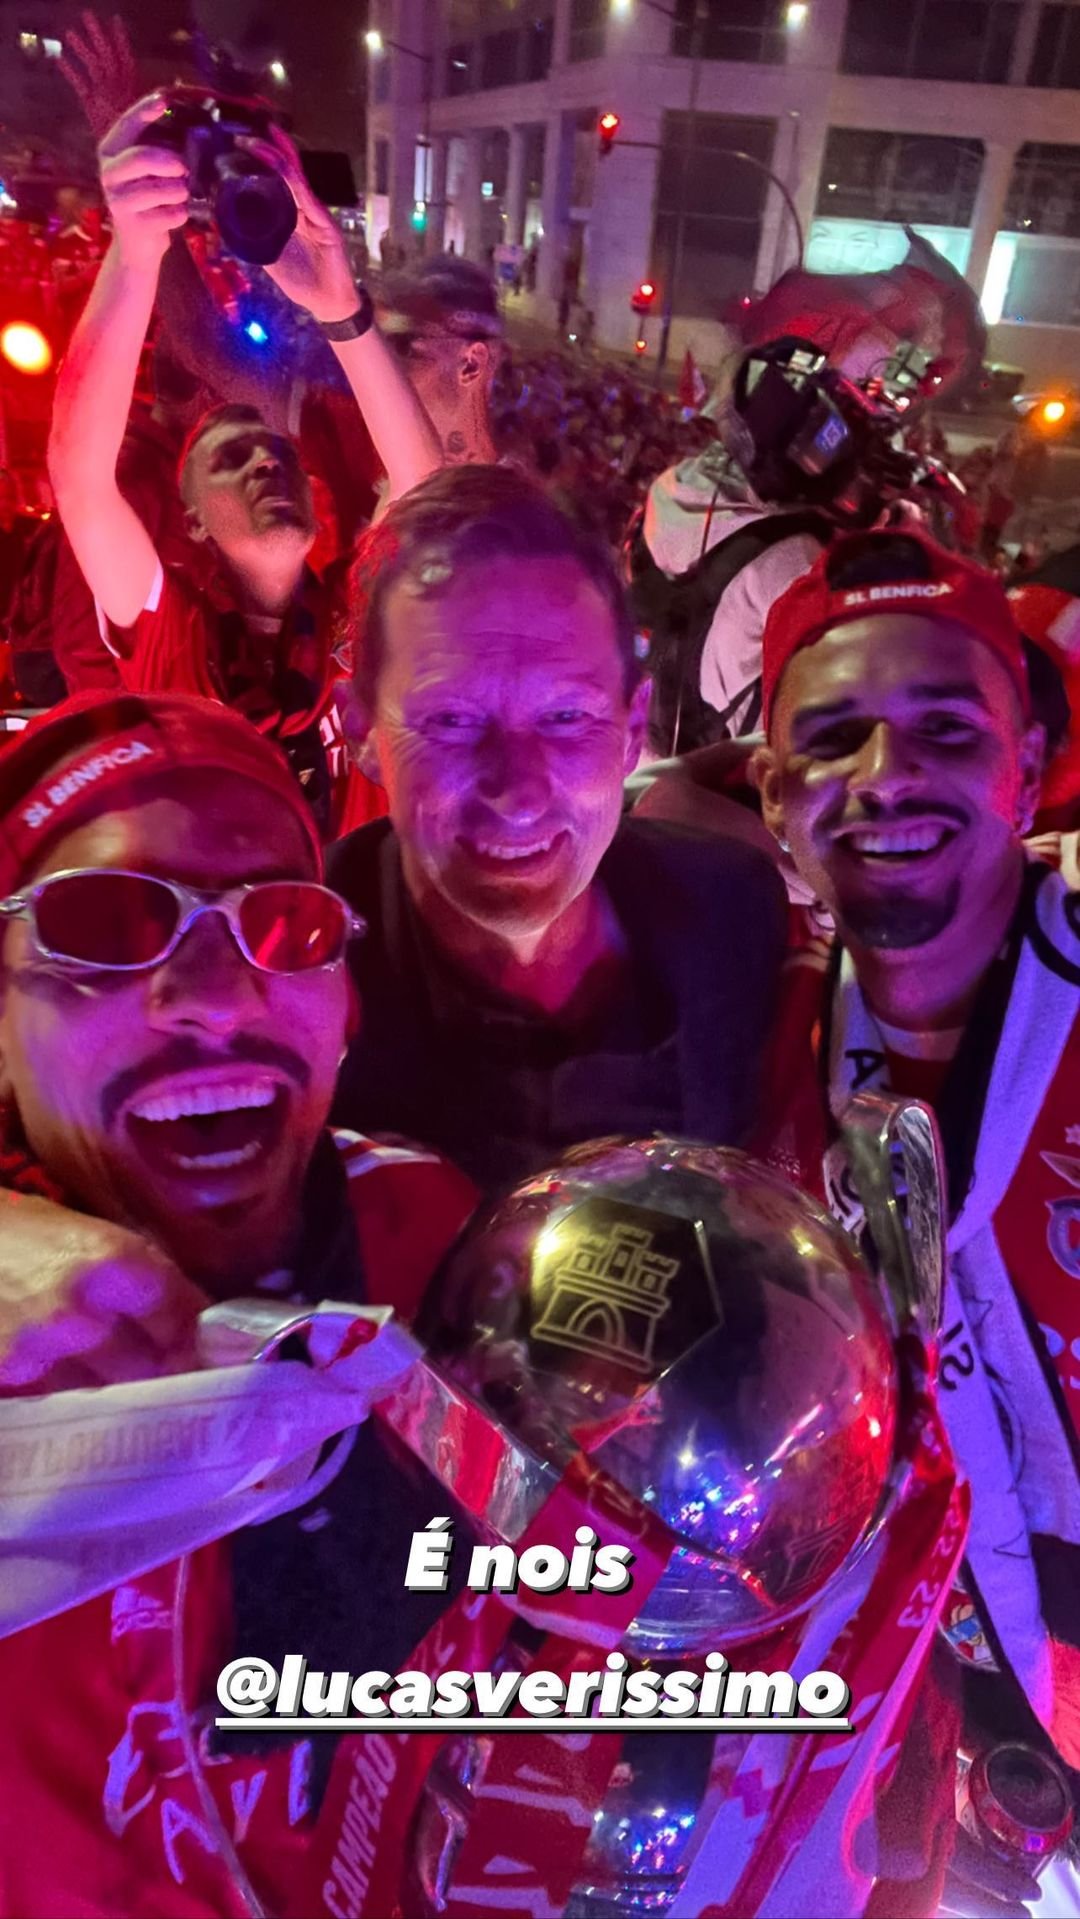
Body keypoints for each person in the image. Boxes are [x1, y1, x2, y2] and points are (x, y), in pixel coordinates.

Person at [0, 688, 477, 1914]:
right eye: (106, 922)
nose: (215, 995)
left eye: (283, 922)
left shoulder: (439, 1236)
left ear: (346, 1007)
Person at [749, 529, 1080, 1810]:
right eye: (833, 739)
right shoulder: (755, 1049)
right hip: (940, 1734)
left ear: (1030, 767)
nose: (885, 778)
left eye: (946, 731)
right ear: (773, 794)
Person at [331, 465, 788, 1192]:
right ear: (361, 732)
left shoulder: (736, 911)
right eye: (452, 720)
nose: (518, 793)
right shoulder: (289, 976)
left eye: (567, 717)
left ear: (632, 730)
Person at [47, 95, 442, 831]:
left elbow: (424, 487)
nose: (264, 462)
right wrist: (133, 253)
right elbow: (80, 474)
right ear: (192, 522)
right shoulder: (171, 633)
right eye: (230, 459)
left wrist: (341, 306)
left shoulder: (350, 616)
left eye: (278, 452)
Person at [377, 252, 504, 466]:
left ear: (471, 364)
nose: (376, 366)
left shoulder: (504, 486)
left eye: (402, 347)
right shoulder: (382, 462)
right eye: (377, 344)